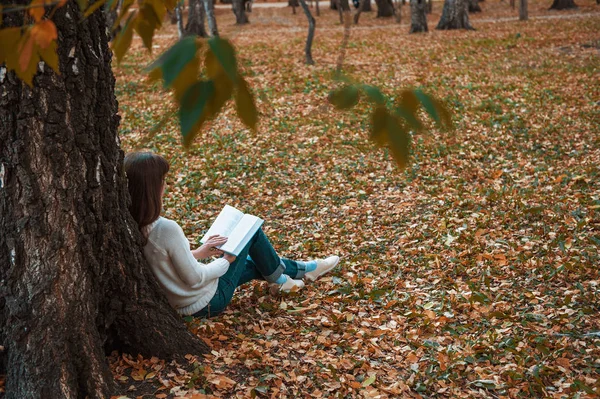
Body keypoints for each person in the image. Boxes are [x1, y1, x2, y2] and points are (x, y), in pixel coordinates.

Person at [123, 151, 340, 318]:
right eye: (163, 181)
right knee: (250, 232)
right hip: (205, 302)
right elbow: (195, 277)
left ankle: (295, 273)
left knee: (256, 263)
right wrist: (226, 261)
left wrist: (199, 253)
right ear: (153, 188)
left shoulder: (129, 223)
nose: (165, 185)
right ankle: (287, 277)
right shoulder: (166, 229)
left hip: (182, 300)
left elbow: (167, 263)